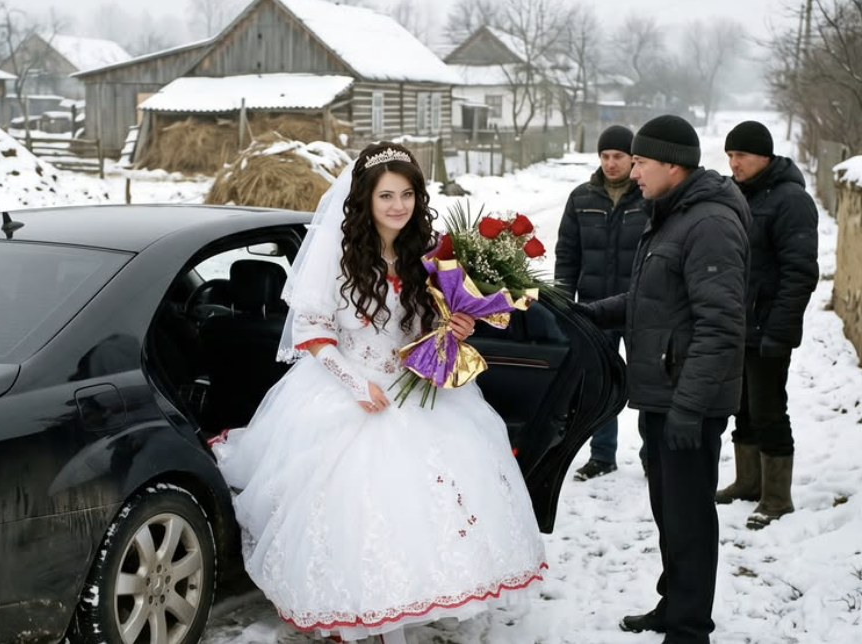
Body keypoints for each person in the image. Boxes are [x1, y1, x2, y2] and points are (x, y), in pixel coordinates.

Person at [212, 142, 547, 643]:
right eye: (386, 195)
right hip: (346, 391)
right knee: (359, 510)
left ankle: (406, 601)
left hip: (419, 395)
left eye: (407, 194)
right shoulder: (338, 255)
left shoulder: (431, 255)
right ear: (364, 199)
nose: (398, 205)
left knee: (421, 512)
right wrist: (354, 383)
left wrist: (455, 325)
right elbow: (311, 330)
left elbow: (428, 326)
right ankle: (355, 611)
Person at [578, 115, 750, 644]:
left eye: (642, 163)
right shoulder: (671, 214)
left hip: (687, 402)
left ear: (672, 165)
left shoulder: (709, 225)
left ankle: (690, 627)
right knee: (669, 514)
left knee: (690, 519)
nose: (632, 173)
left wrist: (689, 409)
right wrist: (586, 313)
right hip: (665, 395)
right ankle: (674, 603)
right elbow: (650, 302)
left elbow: (720, 326)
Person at [718, 121, 818, 529]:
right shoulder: (738, 194)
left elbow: (800, 273)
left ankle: (777, 497)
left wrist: (780, 330)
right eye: (729, 155)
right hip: (738, 324)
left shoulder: (791, 201)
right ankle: (747, 481)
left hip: (769, 328)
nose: (733, 163)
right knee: (741, 407)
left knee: (769, 409)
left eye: (740, 155)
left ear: (764, 155)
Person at [555, 125, 648, 481]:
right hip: (593, 310)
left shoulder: (647, 198)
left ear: (632, 159)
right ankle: (601, 456)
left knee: (645, 383)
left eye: (618, 156)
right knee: (599, 386)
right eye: (605, 156)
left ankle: (651, 456)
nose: (610, 163)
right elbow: (567, 254)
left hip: (639, 308)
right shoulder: (581, 198)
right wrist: (565, 301)